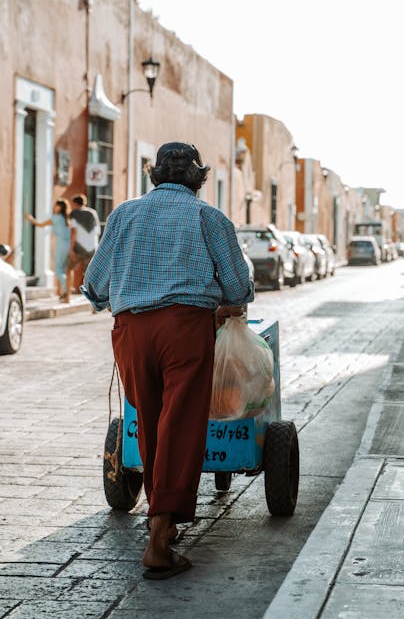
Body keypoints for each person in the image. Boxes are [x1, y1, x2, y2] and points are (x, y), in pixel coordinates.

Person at [81, 142, 254, 580]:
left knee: (153, 421)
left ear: (153, 175)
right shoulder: (209, 218)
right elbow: (237, 288)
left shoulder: (123, 214)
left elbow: (94, 287)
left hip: (132, 332)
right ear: (197, 178)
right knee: (181, 424)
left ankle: (164, 521)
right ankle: (160, 535)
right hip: (185, 329)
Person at [24, 199, 71, 301]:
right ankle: (65, 292)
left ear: (60, 207)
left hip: (61, 244)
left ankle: (66, 291)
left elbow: (41, 225)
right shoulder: (66, 218)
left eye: (56, 206)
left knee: (59, 270)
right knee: (63, 269)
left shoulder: (56, 218)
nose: (54, 207)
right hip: (68, 244)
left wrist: (30, 219)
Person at [67, 194, 100, 300]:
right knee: (90, 276)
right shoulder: (93, 212)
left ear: (75, 204)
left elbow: (73, 232)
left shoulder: (74, 213)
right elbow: (97, 231)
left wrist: (71, 249)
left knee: (69, 269)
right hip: (92, 247)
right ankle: (93, 304)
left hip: (79, 248)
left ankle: (67, 297)